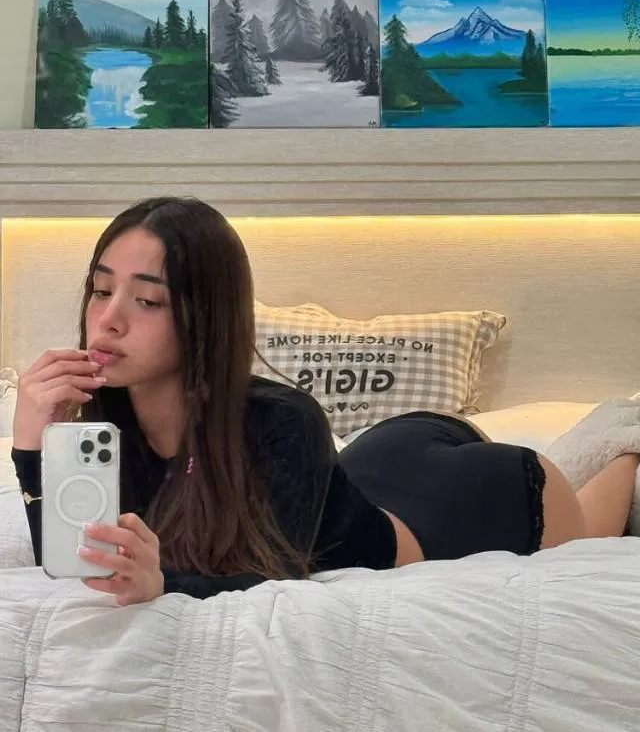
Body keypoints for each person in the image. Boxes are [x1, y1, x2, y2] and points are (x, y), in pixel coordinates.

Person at [11, 196, 640, 606]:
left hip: (463, 503)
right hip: (377, 461)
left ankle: (624, 437)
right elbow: (67, 562)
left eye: (147, 300)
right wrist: (32, 446)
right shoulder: (99, 424)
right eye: (100, 291)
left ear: (206, 319)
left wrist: (161, 583)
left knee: (591, 526)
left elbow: (273, 581)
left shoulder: (281, 421)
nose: (109, 319)